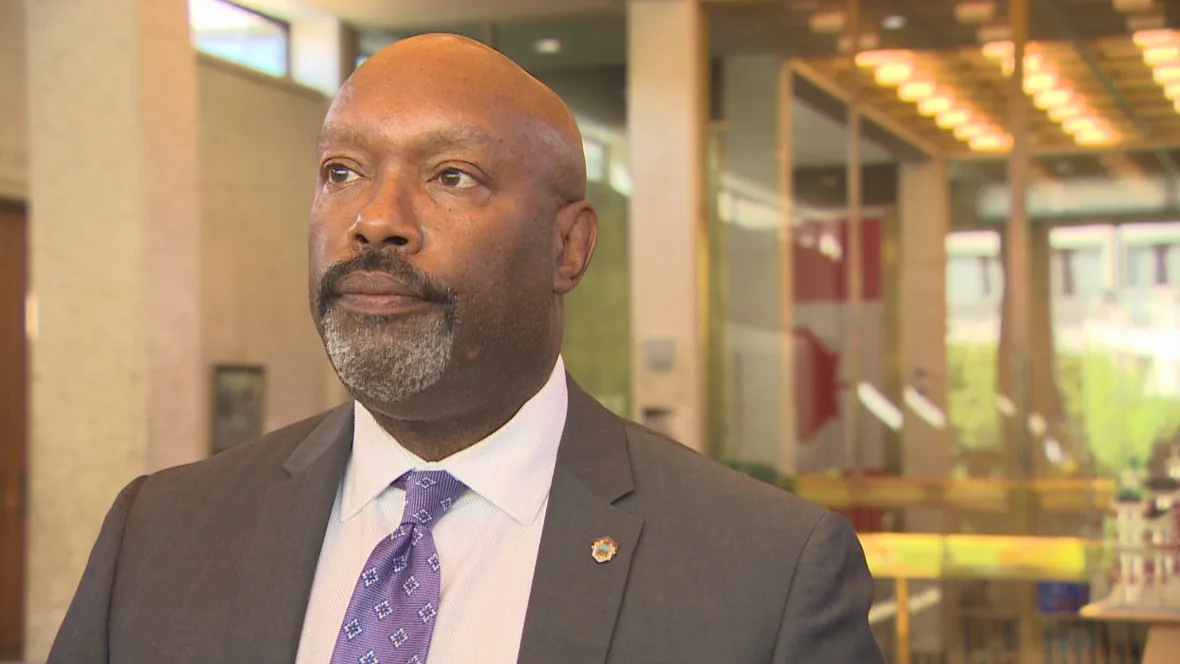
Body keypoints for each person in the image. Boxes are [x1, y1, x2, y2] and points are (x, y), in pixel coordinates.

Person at [47, 34, 885, 664]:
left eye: (451, 177)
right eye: (343, 172)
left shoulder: (766, 577)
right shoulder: (158, 535)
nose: (376, 217)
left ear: (569, 248)